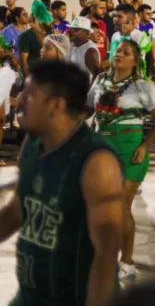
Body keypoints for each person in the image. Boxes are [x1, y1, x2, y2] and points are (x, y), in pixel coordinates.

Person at [0, 61, 124, 306]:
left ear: (56, 105)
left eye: (29, 93)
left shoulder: (96, 162)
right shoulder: (32, 145)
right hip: (30, 297)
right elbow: (17, 208)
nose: (19, 99)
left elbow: (106, 254)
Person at [87, 39, 155, 278]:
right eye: (118, 51)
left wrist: (145, 145)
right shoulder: (100, 80)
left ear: (135, 60)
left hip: (131, 150)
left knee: (122, 208)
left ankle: (127, 262)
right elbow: (88, 109)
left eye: (126, 52)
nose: (119, 54)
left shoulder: (143, 86)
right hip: (101, 148)